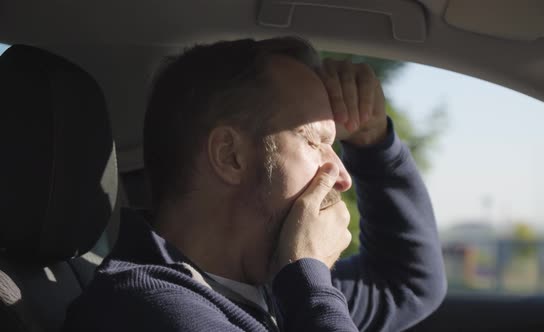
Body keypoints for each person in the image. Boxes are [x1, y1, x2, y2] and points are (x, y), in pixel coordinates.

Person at [63, 36, 446, 332]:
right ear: (230, 155)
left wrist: (374, 141)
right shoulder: (146, 311)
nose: (341, 176)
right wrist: (309, 280)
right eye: (315, 142)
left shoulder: (269, 286)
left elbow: (407, 284)